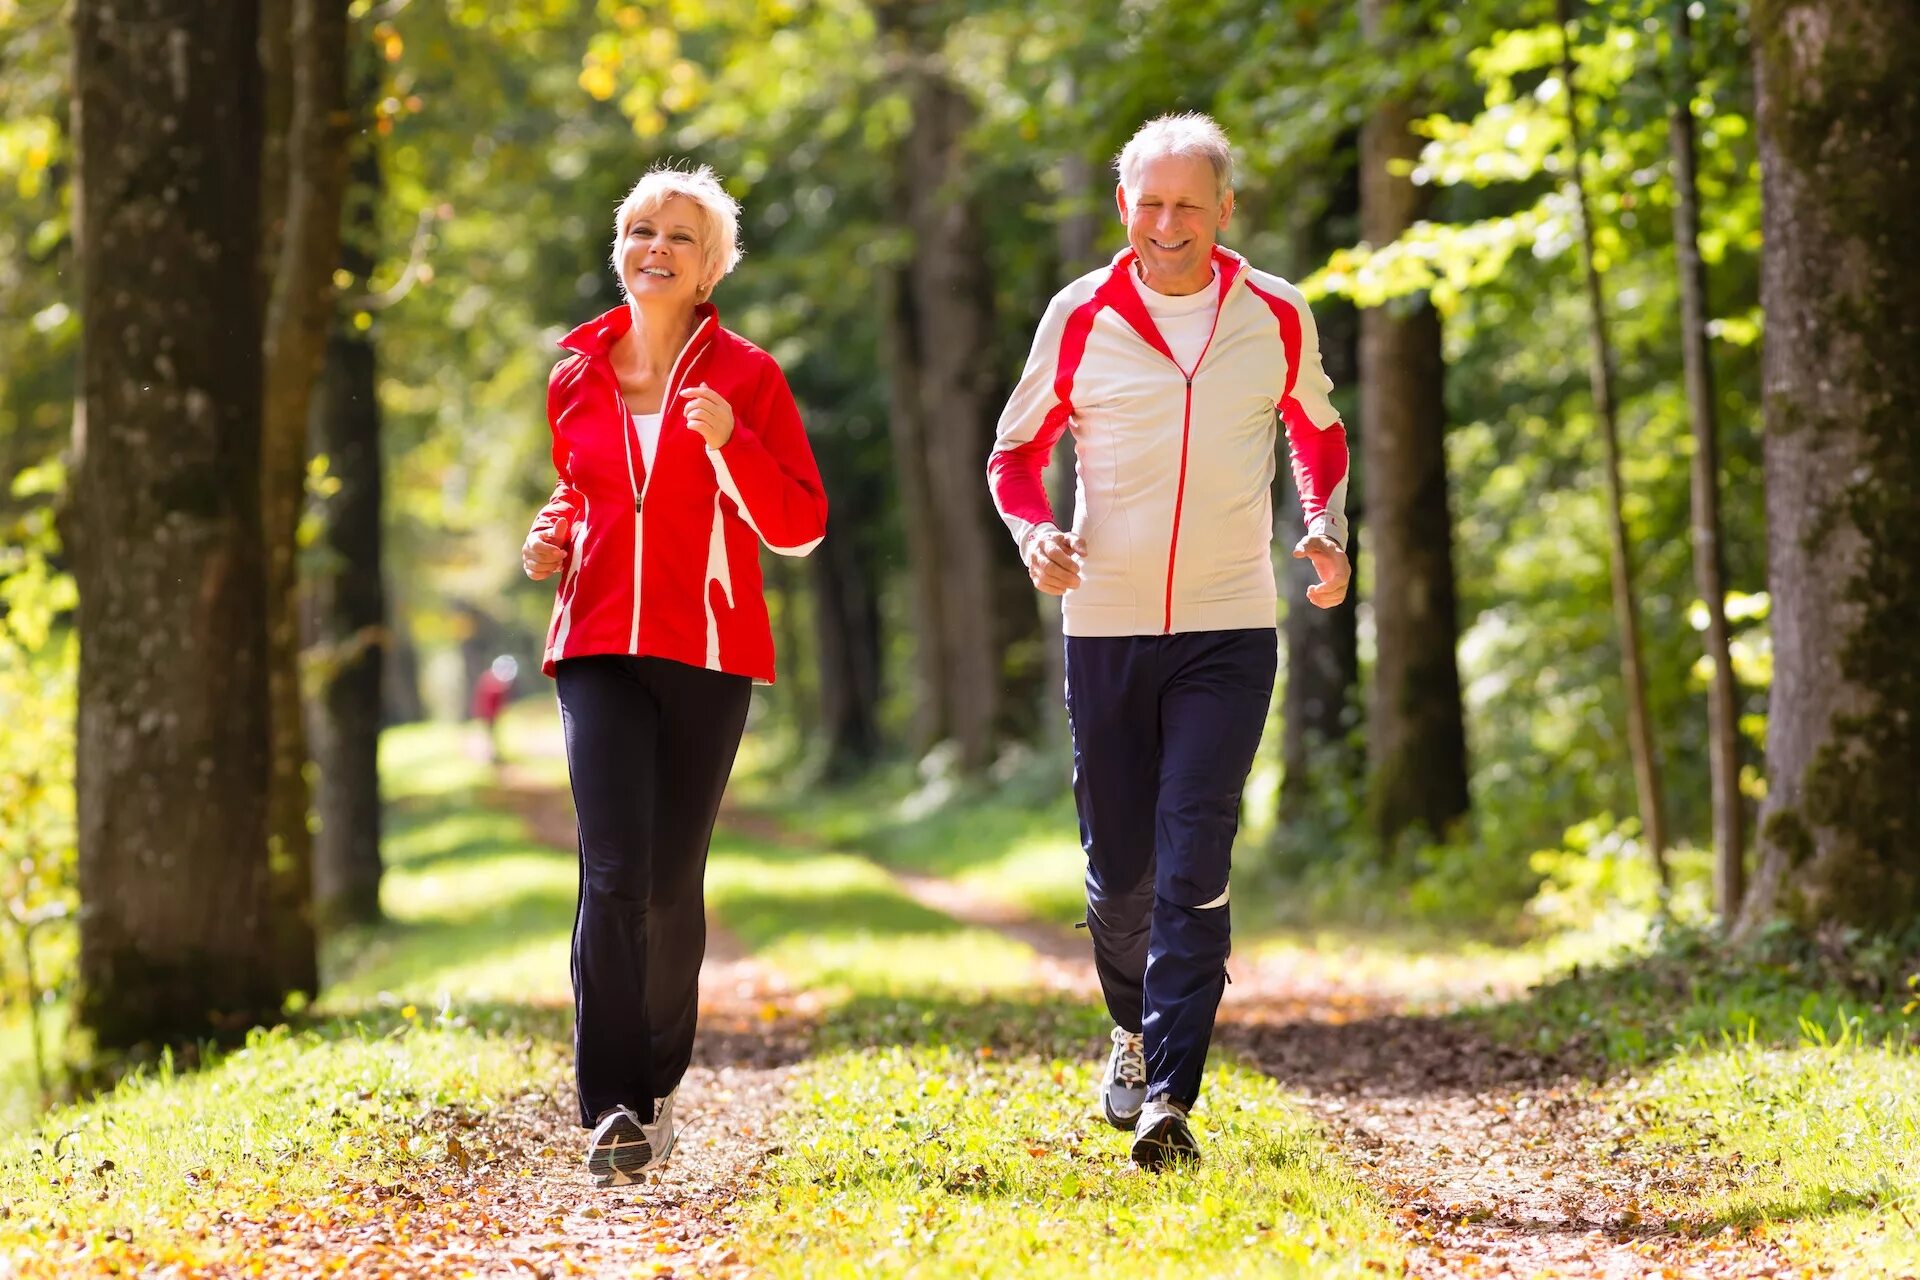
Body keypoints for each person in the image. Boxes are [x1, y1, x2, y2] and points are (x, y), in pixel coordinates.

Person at [987, 113, 1351, 1170]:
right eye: (1150, 203)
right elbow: (1014, 455)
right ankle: (1131, 1028)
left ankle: (1171, 1098)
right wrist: (1034, 531)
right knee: (1120, 871)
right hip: (1105, 622)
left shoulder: (1276, 311)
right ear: (1123, 209)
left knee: (1196, 849)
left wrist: (1322, 523)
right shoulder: (1080, 313)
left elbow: (1317, 429)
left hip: (1229, 624)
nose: (1168, 223)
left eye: (1189, 203)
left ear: (1224, 209)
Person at [521, 163, 827, 1187]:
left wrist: (731, 442)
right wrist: (551, 535)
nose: (655, 247)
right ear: (620, 249)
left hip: (708, 648)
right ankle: (608, 1102)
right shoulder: (575, 374)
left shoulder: (748, 376)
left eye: (680, 237)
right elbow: (582, 496)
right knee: (610, 869)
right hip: (597, 645)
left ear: (711, 270)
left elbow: (800, 524)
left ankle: (654, 1085)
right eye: (640, 230)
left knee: (667, 879)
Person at [470, 654, 519, 764]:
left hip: (492, 714)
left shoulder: (496, 683)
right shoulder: (490, 682)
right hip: (487, 714)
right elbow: (483, 701)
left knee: (494, 734)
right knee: (490, 734)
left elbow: (500, 702)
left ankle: (494, 754)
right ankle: (490, 756)